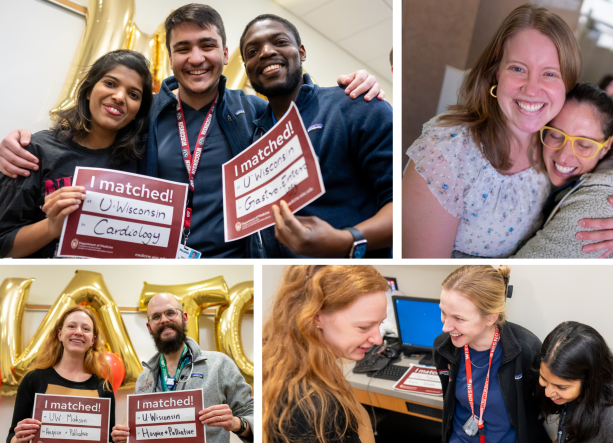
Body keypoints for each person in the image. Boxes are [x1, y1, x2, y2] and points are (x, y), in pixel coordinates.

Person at [0, 3, 384, 259]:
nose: (196, 58)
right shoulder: (140, 116)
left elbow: (301, 101)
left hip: (240, 260)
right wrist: (14, 145)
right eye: (183, 48)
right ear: (170, 56)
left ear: (225, 53)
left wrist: (361, 83)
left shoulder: (256, 113)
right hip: (154, 258)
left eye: (207, 45)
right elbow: (85, 142)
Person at [402, 4, 613, 258]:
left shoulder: (554, 138)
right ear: (496, 72)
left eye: (550, 74)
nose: (532, 89)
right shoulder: (445, 152)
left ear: (566, 84)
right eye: (518, 68)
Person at [263, 265, 455, 443]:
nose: (377, 339)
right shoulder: (307, 406)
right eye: (364, 327)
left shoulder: (314, 364)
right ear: (316, 317)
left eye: (380, 324)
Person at [238, 14, 393, 259]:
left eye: (279, 42)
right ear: (247, 68)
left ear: (301, 52)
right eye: (252, 51)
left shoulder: (356, 105)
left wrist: (345, 241)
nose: (266, 52)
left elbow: (404, 206)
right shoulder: (254, 139)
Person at [111, 292, 253, 443]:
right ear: (149, 327)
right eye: (156, 316)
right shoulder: (145, 377)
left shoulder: (219, 365)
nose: (164, 319)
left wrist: (237, 422)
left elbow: (253, 415)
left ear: (184, 317)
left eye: (170, 312)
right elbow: (140, 438)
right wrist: (124, 441)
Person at [0, 50, 153, 258]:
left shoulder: (140, 161)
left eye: (133, 95)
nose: (119, 97)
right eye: (110, 83)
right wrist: (52, 227)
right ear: (89, 91)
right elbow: (3, 245)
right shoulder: (34, 151)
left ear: (138, 112)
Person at [433, 265, 551, 443]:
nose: (445, 326)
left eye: (458, 318)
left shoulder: (526, 349)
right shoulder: (444, 347)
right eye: (443, 312)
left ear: (490, 317)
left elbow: (542, 406)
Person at [6, 306, 119, 443]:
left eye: (86, 328)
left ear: (93, 339)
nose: (78, 332)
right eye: (72, 326)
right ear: (59, 334)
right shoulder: (34, 380)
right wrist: (19, 439)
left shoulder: (103, 387)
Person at [513, 83, 613, 258]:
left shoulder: (603, 204)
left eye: (583, 145)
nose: (563, 157)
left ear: (606, 146)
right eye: (555, 135)